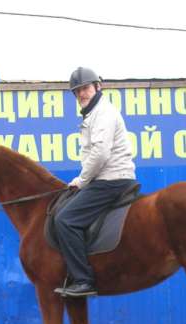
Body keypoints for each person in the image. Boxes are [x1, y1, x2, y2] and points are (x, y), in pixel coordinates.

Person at [54, 67, 137, 297]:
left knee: (65, 220)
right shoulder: (94, 114)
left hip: (111, 180)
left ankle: (83, 280)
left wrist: (81, 181)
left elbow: (100, 153)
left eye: (86, 88)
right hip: (105, 178)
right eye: (77, 91)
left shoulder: (104, 113)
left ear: (97, 87)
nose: (82, 93)